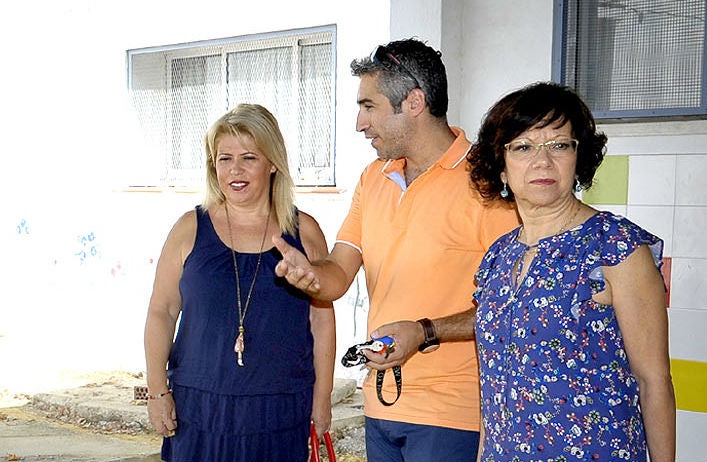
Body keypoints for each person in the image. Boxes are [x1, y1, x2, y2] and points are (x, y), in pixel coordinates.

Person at [270, 39, 520, 461]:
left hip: (453, 412)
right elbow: (337, 272)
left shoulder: (487, 182)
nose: (359, 123)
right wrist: (310, 275)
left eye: (369, 106)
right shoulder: (373, 178)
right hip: (381, 403)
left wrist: (424, 332)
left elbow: (512, 308)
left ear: (415, 102)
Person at [465, 82, 675, 461]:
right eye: (523, 147)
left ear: (579, 158)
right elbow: (493, 388)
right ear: (501, 167)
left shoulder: (616, 248)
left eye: (559, 145)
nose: (542, 161)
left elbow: (654, 380)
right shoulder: (497, 258)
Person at [143, 104, 336, 461]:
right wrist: (157, 391)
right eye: (224, 158)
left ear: (273, 162)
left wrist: (322, 399)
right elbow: (162, 310)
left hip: (280, 410)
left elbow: (321, 321)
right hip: (199, 409)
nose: (235, 170)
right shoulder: (188, 228)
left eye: (249, 157)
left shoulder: (304, 232)